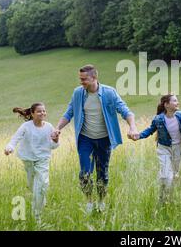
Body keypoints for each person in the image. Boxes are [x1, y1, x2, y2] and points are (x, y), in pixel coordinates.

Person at [52, 64, 139, 214]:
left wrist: (132, 127)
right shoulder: (78, 93)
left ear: (94, 78)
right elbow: (69, 112)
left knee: (102, 173)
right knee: (85, 173)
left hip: (104, 139)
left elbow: (126, 111)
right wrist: (58, 128)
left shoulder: (109, 93)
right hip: (85, 139)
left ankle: (101, 202)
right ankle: (89, 203)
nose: (81, 82)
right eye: (80, 79)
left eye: (84, 79)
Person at [133, 94, 181, 204]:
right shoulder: (158, 119)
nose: (178, 103)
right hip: (163, 148)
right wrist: (139, 136)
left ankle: (170, 198)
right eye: (175, 101)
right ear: (166, 105)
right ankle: (162, 199)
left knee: (174, 174)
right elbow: (150, 130)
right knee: (165, 175)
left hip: (177, 148)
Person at [4, 102, 60, 222]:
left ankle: (37, 216)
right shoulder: (26, 126)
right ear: (32, 113)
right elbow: (15, 138)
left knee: (42, 185)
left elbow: (53, 146)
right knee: (32, 186)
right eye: (39, 111)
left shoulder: (49, 127)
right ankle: (40, 198)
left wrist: (56, 140)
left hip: (43, 160)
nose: (42, 113)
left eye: (44, 111)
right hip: (28, 160)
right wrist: (10, 148)